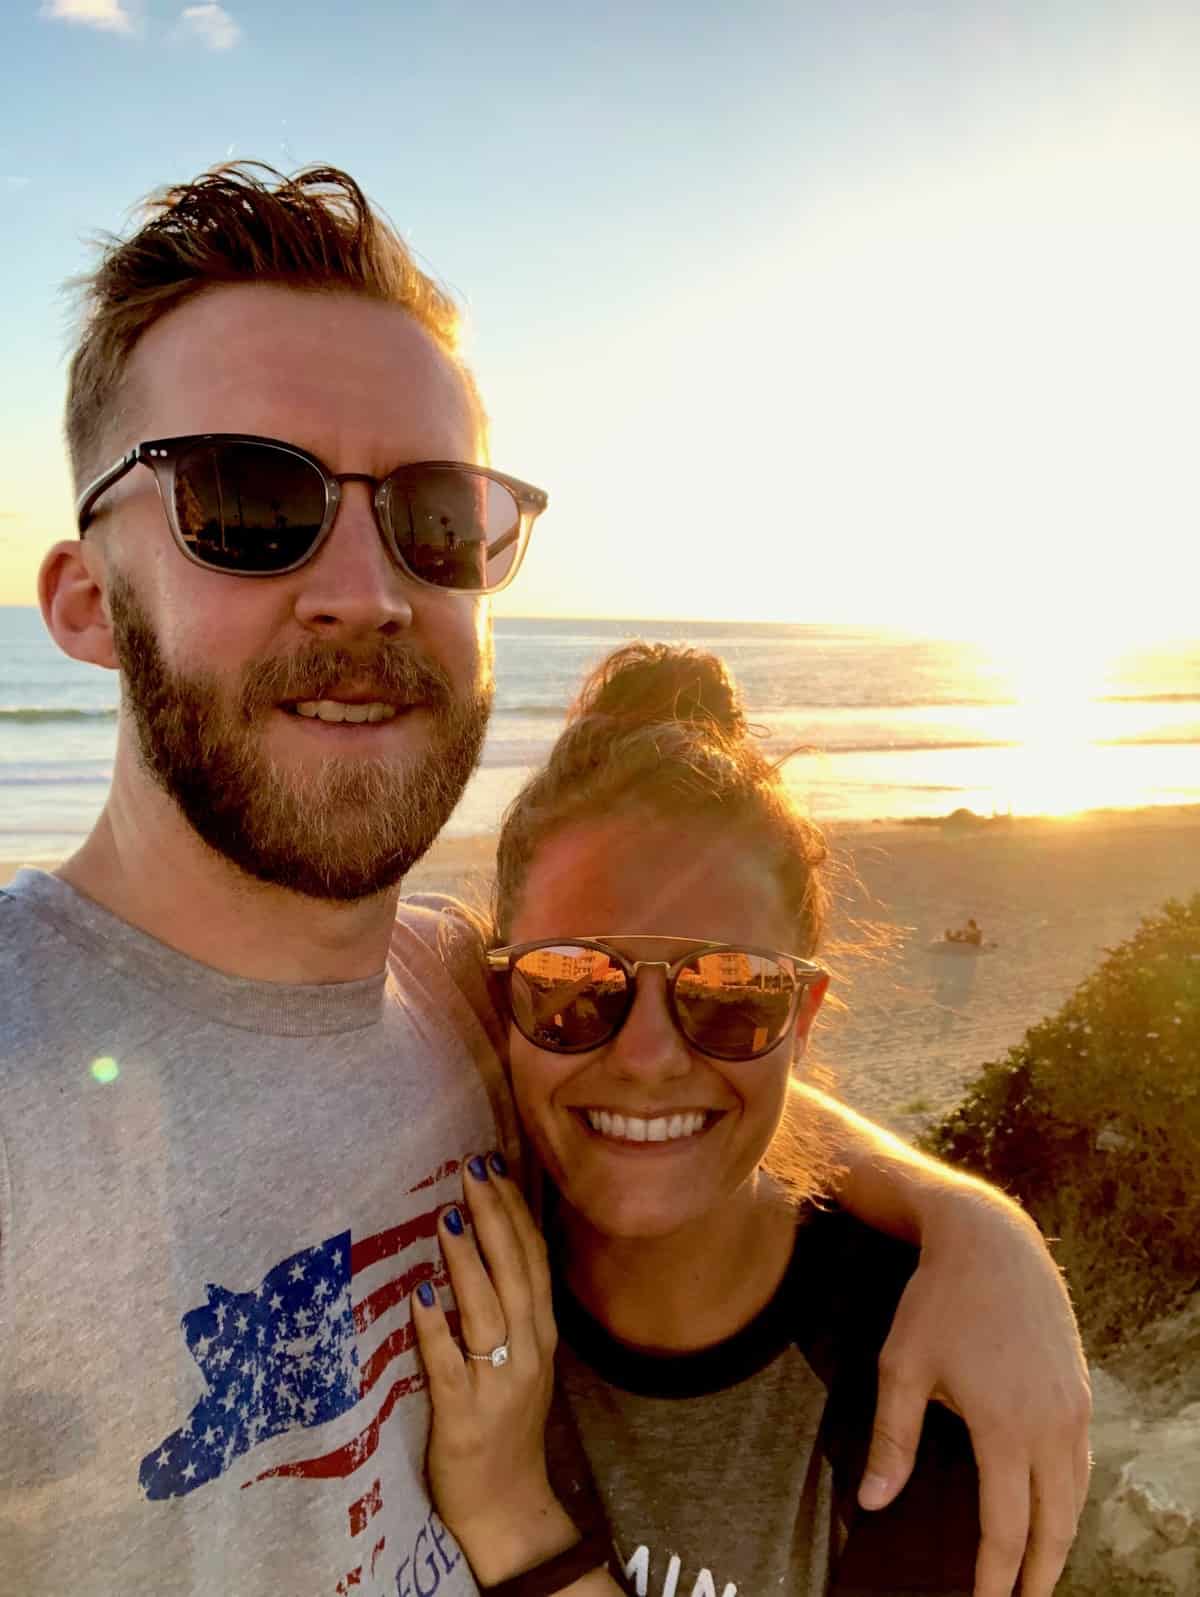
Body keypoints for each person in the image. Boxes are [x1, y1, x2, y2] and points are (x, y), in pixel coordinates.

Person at [0, 162, 1088, 1596]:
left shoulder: (454, 986)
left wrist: (975, 1221)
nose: (366, 589)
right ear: (84, 600)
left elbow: (667, 1044)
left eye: (433, 517)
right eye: (249, 503)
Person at [411, 645, 1086, 1597]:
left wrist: (512, 1519)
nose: (647, 1055)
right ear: (498, 1003)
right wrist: (967, 1211)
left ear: (800, 1022)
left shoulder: (922, 1383)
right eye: (573, 983)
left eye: (732, 993)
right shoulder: (431, 1258)